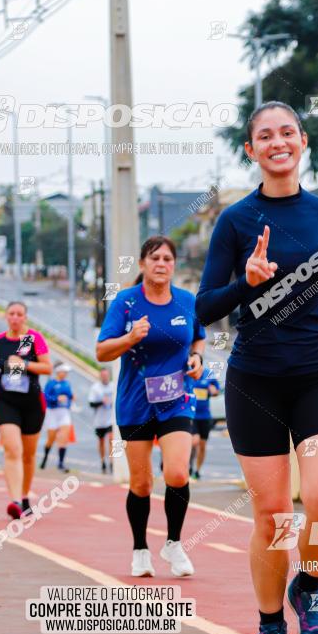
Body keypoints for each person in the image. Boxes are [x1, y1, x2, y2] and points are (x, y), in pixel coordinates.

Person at [195, 100, 318, 634]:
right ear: (251, 151)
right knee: (274, 518)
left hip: (317, 375)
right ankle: (271, 626)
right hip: (255, 382)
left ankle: (310, 586)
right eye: (264, 136)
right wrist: (246, 285)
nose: (277, 142)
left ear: (302, 142)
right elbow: (204, 306)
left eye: (287, 132)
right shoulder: (235, 221)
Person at [96, 236, 205, 578]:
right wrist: (129, 338)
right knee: (142, 484)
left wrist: (197, 356)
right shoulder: (126, 303)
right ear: (142, 264)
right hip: (135, 402)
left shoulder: (187, 302)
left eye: (168, 259)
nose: (161, 264)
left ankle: (173, 542)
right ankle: (140, 548)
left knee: (177, 473)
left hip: (177, 400)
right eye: (155, 258)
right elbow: (101, 351)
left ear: (174, 266)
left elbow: (199, 336)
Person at [0, 301, 52, 519]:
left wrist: (24, 365)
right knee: (13, 449)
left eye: (19, 314)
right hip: (5, 402)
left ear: (25, 317)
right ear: (5, 316)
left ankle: (24, 497)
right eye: (11, 313)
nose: (14, 317)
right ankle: (14, 502)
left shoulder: (31, 339)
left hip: (32, 403)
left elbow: (47, 367)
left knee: (29, 455)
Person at [40, 363, 74, 472]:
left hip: (64, 412)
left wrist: (70, 399)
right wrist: (56, 398)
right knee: (51, 439)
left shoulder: (67, 384)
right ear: (58, 372)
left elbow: (69, 395)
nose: (66, 374)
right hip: (52, 413)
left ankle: (61, 463)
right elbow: (45, 397)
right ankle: (45, 458)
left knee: (64, 438)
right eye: (64, 371)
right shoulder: (51, 383)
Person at [189, 366, 220, 479]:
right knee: (194, 441)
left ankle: (197, 471)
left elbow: (217, 390)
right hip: (191, 415)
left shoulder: (209, 373)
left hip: (205, 416)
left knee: (202, 445)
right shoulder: (188, 371)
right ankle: (189, 466)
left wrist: (213, 391)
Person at [88, 367, 114, 472]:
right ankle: (103, 462)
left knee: (112, 439)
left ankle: (113, 463)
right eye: (103, 375)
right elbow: (91, 403)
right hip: (99, 420)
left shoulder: (113, 386)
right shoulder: (95, 388)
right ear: (100, 376)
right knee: (101, 441)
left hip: (111, 419)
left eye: (106, 375)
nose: (105, 377)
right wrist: (102, 402)